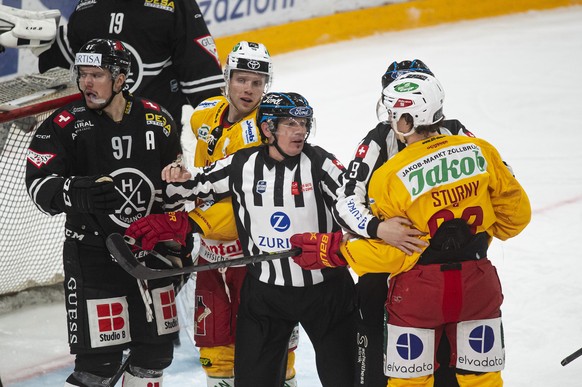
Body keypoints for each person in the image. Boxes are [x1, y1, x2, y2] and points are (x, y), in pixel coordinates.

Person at [290, 72, 531, 386]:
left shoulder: (390, 176)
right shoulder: (480, 150)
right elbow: (516, 217)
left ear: (405, 121)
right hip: (478, 288)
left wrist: (333, 250)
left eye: (394, 117)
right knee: (482, 380)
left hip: (420, 295)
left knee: (410, 383)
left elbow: (393, 254)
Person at [125, 92, 358, 386]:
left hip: (327, 292)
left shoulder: (321, 163)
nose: (299, 130)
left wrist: (347, 244)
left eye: (303, 122)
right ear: (267, 129)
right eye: (289, 123)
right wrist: (177, 180)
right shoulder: (242, 164)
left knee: (346, 380)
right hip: (265, 296)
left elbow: (356, 206)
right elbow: (196, 184)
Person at [25, 39, 189, 387]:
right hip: (92, 256)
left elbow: (172, 191)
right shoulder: (64, 124)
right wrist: (75, 191)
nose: (86, 83)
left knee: (154, 358)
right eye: (82, 74)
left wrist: (178, 244)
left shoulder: (157, 120)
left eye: (96, 75)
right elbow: (39, 188)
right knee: (96, 367)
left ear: (120, 78)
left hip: (149, 254)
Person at [332, 59, 475, 387]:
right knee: (375, 344)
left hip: (445, 262)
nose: (397, 112)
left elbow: (499, 175)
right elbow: (346, 198)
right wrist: (377, 228)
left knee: (450, 359)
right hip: (388, 261)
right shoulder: (379, 137)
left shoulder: (455, 130)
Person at [179, 41, 299, 387]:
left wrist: (192, 223)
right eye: (241, 79)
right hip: (211, 255)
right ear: (227, 79)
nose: (248, 89)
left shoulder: (267, 131)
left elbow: (244, 199)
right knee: (215, 353)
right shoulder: (206, 113)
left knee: (272, 349)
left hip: (256, 259)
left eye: (257, 82)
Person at [0, 0, 224, 131]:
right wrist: (37, 42)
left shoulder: (175, 6)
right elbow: (65, 68)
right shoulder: (89, 6)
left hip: (155, 139)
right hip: (94, 140)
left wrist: (221, 134)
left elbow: (204, 84)